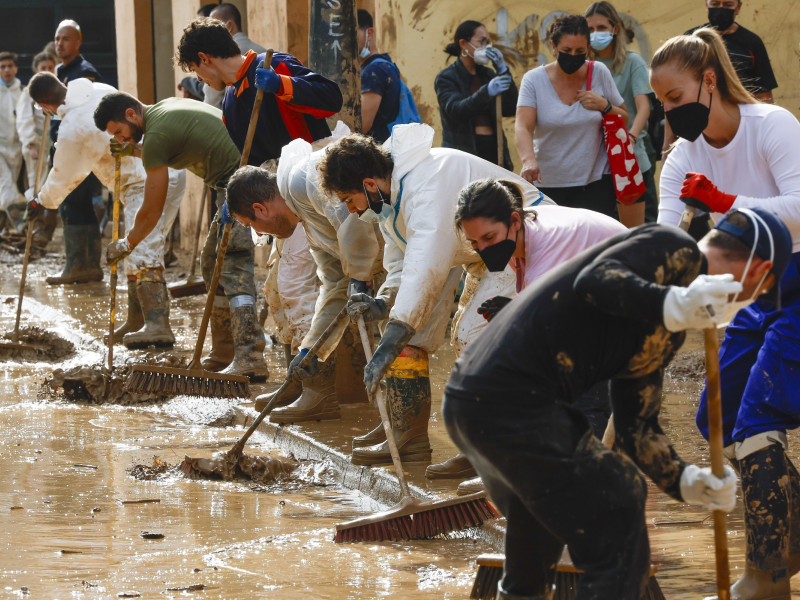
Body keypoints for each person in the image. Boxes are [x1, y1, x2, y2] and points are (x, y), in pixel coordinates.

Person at [445, 207, 792, 599]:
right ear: (760, 271)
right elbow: (596, 280)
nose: (749, 303)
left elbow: (636, 427)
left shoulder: (665, 329)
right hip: (513, 398)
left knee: (537, 533)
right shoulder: (670, 245)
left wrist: (686, 481)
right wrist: (670, 301)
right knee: (621, 497)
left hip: (473, 404)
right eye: (759, 294)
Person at [653, 28, 800, 598]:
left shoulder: (772, 125)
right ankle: (788, 529)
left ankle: (765, 577)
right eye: (661, 103)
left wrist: (721, 203)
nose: (669, 112)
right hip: (748, 287)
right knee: (715, 420)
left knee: (756, 418)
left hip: (798, 278)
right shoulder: (680, 157)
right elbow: (664, 238)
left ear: (709, 81)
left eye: (674, 97)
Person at [317, 123, 550, 466]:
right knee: (464, 337)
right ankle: (481, 446)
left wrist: (390, 341)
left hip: (529, 245)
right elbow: (402, 263)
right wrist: (383, 303)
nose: (351, 210)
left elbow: (426, 266)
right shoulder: (391, 196)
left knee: (476, 336)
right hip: (487, 257)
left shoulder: (426, 183)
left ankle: (499, 452)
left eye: (349, 201)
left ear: (368, 184)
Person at [437, 178, 628, 488]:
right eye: (476, 245)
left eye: (488, 237)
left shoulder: (549, 245)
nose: (484, 249)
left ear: (514, 220)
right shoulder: (522, 235)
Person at [93, 91, 267, 381]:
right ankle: (224, 353)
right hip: (235, 181)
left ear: (130, 114)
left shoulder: (157, 134)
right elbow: (179, 152)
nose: (120, 139)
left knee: (233, 264)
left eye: (120, 133)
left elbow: (151, 211)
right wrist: (135, 151)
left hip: (242, 184)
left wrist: (128, 243)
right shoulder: (164, 109)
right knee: (212, 262)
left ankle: (250, 356)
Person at [226, 138, 383, 423]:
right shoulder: (305, 220)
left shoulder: (302, 185)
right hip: (384, 257)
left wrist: (359, 276)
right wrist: (313, 348)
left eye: (252, 227)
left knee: (406, 329)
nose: (261, 234)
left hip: (403, 246)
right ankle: (392, 423)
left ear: (261, 209)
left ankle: (405, 431)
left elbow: (359, 225)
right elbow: (336, 284)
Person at [27, 73, 185, 347]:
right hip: (153, 172)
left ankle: (158, 324)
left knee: (142, 250)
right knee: (131, 251)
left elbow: (64, 175)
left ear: (45, 105)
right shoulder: (97, 88)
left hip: (148, 178)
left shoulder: (73, 127)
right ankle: (137, 321)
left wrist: (41, 201)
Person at [176, 17, 342, 167]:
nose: (198, 79)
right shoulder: (228, 104)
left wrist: (281, 84)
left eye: (194, 69)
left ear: (204, 58)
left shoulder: (274, 64)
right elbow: (252, 164)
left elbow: (332, 99)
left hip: (316, 177)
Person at [515, 14, 628, 220]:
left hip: (595, 183)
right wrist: (528, 161)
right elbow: (523, 126)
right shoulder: (533, 80)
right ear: (553, 47)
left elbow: (624, 117)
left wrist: (604, 106)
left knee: (595, 246)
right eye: (567, 51)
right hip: (549, 184)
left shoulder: (599, 72)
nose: (573, 55)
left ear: (588, 49)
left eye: (580, 51)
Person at [585, 1, 657, 227]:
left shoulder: (632, 62)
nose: (595, 34)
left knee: (642, 226)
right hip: (598, 158)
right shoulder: (585, 66)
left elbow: (644, 107)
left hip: (631, 156)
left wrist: (630, 139)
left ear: (615, 29)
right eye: (590, 29)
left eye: (601, 28)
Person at [47, 19, 105, 285]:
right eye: (58, 39)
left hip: (82, 153)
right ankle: (80, 264)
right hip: (66, 150)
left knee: (75, 205)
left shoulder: (85, 72)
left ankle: (84, 265)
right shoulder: (60, 71)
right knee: (72, 206)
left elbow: (86, 116)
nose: (60, 43)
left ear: (78, 42)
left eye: (66, 39)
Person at [434, 20, 517, 168]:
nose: (487, 47)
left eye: (489, 42)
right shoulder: (446, 78)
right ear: (463, 44)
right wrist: (486, 92)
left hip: (494, 152)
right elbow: (457, 110)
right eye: (482, 41)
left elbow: (510, 108)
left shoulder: (488, 75)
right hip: (463, 154)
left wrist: (503, 71)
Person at [202, 3, 267, 109]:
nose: (209, 35)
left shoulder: (220, 57)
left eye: (213, 28)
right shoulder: (262, 51)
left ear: (229, 25)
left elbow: (211, 103)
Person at [357, 9, 402, 143]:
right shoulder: (382, 65)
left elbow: (363, 126)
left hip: (378, 153)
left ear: (369, 33)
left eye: (352, 34)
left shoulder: (374, 70)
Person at [17, 52, 56, 193]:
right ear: (36, 70)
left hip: (51, 141)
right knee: (36, 182)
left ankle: (46, 212)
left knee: (49, 182)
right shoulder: (29, 92)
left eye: (50, 67)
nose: (47, 70)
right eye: (43, 67)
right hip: (37, 141)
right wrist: (31, 144)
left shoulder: (57, 91)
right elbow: (24, 119)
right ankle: (33, 212)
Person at [0, 51, 24, 234]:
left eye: (10, 66)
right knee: (5, 183)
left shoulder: (23, 92)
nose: (7, 70)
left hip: (17, 147)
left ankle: (5, 229)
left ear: (16, 68)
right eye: (2, 66)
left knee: (9, 184)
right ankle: (18, 223)